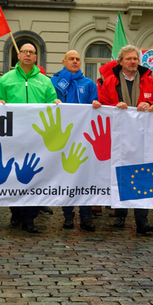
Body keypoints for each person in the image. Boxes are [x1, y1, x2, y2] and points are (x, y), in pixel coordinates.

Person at [98, 45, 153, 234]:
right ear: (120, 62)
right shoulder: (110, 81)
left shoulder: (150, 81)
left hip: (144, 136)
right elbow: (102, 104)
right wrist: (114, 106)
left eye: (135, 58)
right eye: (129, 59)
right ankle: (120, 213)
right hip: (118, 134)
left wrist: (151, 104)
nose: (133, 62)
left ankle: (142, 220)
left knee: (143, 174)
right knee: (119, 170)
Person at [0, 42, 59, 233]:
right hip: (13, 135)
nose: (28, 55)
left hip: (36, 137)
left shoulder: (45, 81)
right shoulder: (6, 79)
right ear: (19, 55)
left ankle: (29, 218)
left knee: (33, 176)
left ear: (35, 57)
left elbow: (51, 101)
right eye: (25, 52)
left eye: (32, 53)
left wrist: (55, 102)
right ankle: (16, 213)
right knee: (14, 176)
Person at [51, 50, 99, 231]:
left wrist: (96, 104)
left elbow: (95, 103)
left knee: (85, 177)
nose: (75, 61)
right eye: (71, 58)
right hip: (63, 136)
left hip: (83, 136)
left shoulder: (88, 83)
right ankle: (68, 216)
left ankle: (86, 217)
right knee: (67, 176)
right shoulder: (54, 82)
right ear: (64, 61)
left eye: (78, 59)